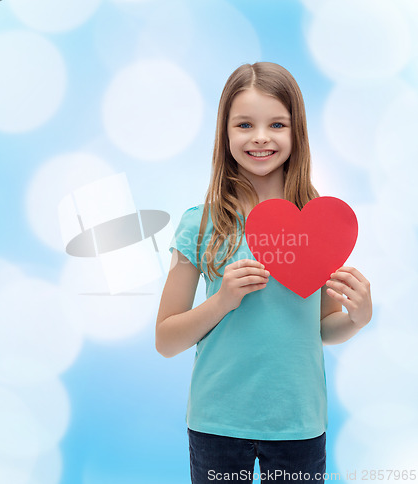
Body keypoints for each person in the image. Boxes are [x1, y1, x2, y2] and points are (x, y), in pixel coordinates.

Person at [155, 62, 372, 484]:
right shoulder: (199, 225)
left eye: (277, 123)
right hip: (217, 421)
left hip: (298, 422)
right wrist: (222, 301)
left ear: (297, 133)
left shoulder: (321, 225)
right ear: (225, 134)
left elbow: (321, 328)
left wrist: (357, 319)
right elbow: (166, 340)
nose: (260, 137)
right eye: (244, 124)